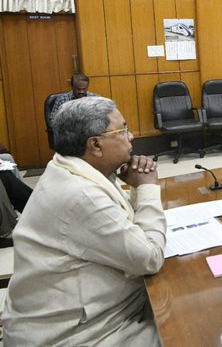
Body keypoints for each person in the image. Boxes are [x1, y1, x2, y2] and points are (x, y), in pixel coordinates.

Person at [2, 97, 165, 346]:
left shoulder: (73, 169)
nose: (131, 136)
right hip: (80, 334)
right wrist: (147, 188)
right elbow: (150, 258)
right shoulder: (81, 194)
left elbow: (125, 224)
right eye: (123, 130)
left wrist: (136, 187)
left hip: (97, 312)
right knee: (192, 324)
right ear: (95, 144)